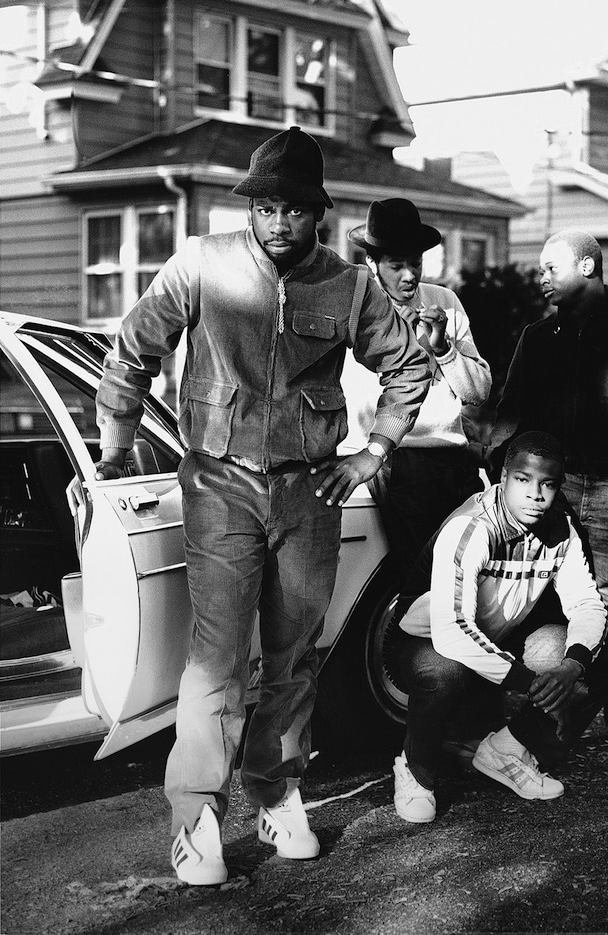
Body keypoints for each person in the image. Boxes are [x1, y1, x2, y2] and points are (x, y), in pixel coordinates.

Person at [93, 127, 431, 885]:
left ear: (318, 214)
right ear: (251, 206)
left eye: (295, 210)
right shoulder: (202, 265)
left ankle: (277, 794)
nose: (279, 222)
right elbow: (133, 346)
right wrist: (115, 444)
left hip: (310, 488)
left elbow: (408, 366)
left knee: (292, 655)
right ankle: (198, 821)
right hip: (217, 485)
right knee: (215, 659)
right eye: (267, 206)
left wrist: (373, 452)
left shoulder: (350, 285)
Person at [487, 230, 608, 750]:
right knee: (555, 602)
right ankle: (551, 712)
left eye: (552, 267)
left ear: (588, 267)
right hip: (558, 490)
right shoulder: (537, 337)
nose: (541, 277)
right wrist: (497, 466)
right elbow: (512, 410)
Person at [391, 431, 608, 823]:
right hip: (426, 642)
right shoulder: (472, 526)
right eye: (523, 480)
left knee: (606, 655)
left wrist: (570, 668)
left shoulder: (561, 528)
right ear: (502, 477)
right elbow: (451, 629)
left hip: (498, 639)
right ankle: (416, 771)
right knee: (443, 670)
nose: (536, 494)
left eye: (547, 484)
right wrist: (528, 681)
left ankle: (510, 749)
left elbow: (586, 604)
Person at [340, 197, 491, 583]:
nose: (409, 275)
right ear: (372, 264)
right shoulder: (353, 309)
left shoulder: (445, 303)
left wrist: (443, 348)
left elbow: (479, 392)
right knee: (427, 583)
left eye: (416, 263)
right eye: (396, 265)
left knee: (473, 576)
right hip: (394, 461)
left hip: (454, 463)